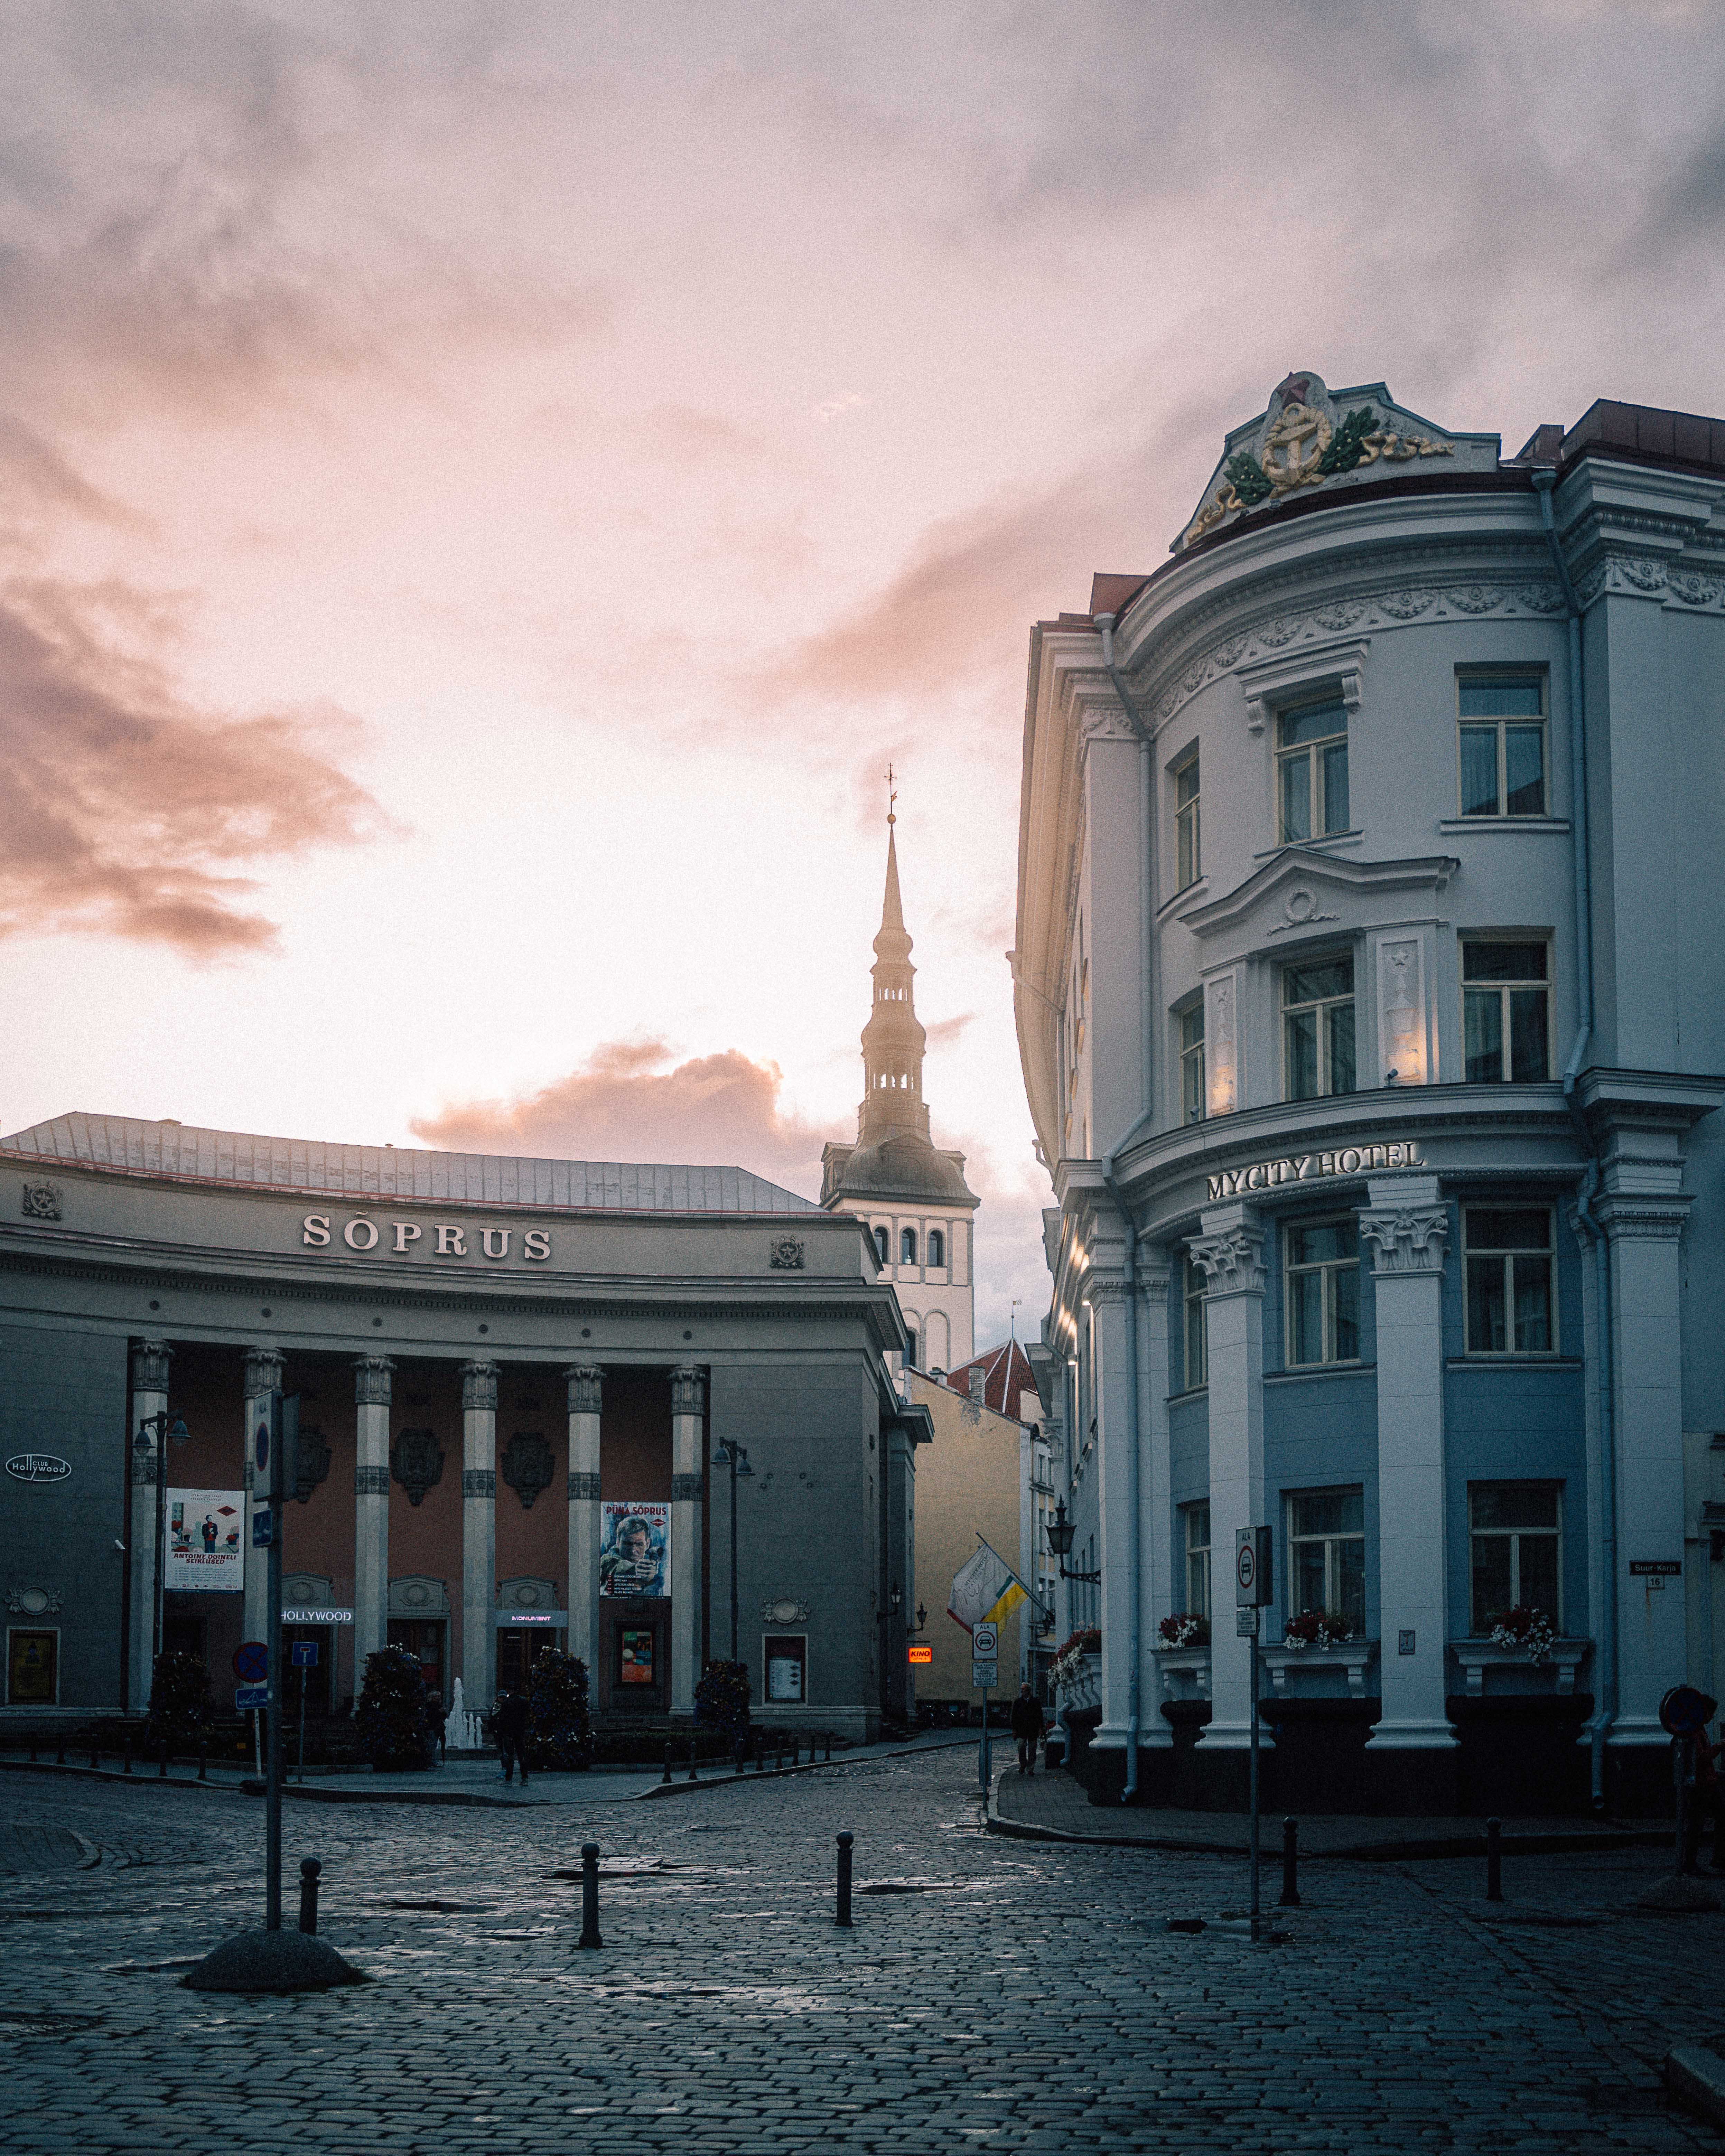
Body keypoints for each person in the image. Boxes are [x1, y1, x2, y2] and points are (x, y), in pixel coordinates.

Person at [495, 1688, 531, 1786]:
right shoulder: (524, 1701)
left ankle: (509, 1780)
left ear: (509, 1691)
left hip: (509, 1732)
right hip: (520, 1731)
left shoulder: (507, 1703)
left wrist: (501, 1732)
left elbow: (502, 1718)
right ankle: (525, 1778)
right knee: (522, 1755)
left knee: (510, 1756)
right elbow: (528, 1715)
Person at [1010, 1684, 1045, 1776]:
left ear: (1029, 1691)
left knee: (1032, 1749)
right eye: (1022, 1690)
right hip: (1021, 1729)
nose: (1022, 1692)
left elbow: (1039, 1715)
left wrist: (1041, 1728)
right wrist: (1014, 1730)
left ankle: (1030, 1768)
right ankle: (1023, 1764)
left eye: (1024, 1690)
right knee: (1021, 1747)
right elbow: (1014, 1717)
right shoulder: (1018, 1702)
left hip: (1033, 1729)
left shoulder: (1035, 1702)